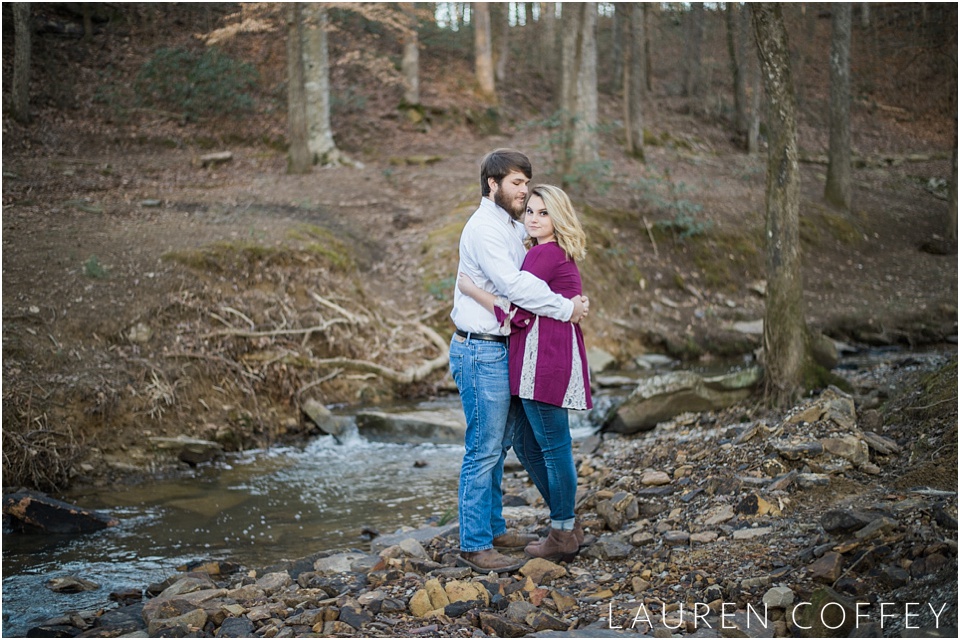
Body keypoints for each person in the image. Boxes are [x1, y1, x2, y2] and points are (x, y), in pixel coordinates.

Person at [450, 149, 588, 573]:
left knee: (502, 444)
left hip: (503, 347)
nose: (523, 191)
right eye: (516, 183)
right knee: (483, 448)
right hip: (480, 348)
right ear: (492, 184)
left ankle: (491, 528)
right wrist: (568, 308)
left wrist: (476, 291)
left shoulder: (511, 226)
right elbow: (515, 287)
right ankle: (475, 544)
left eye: (527, 184)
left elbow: (521, 282)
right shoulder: (486, 229)